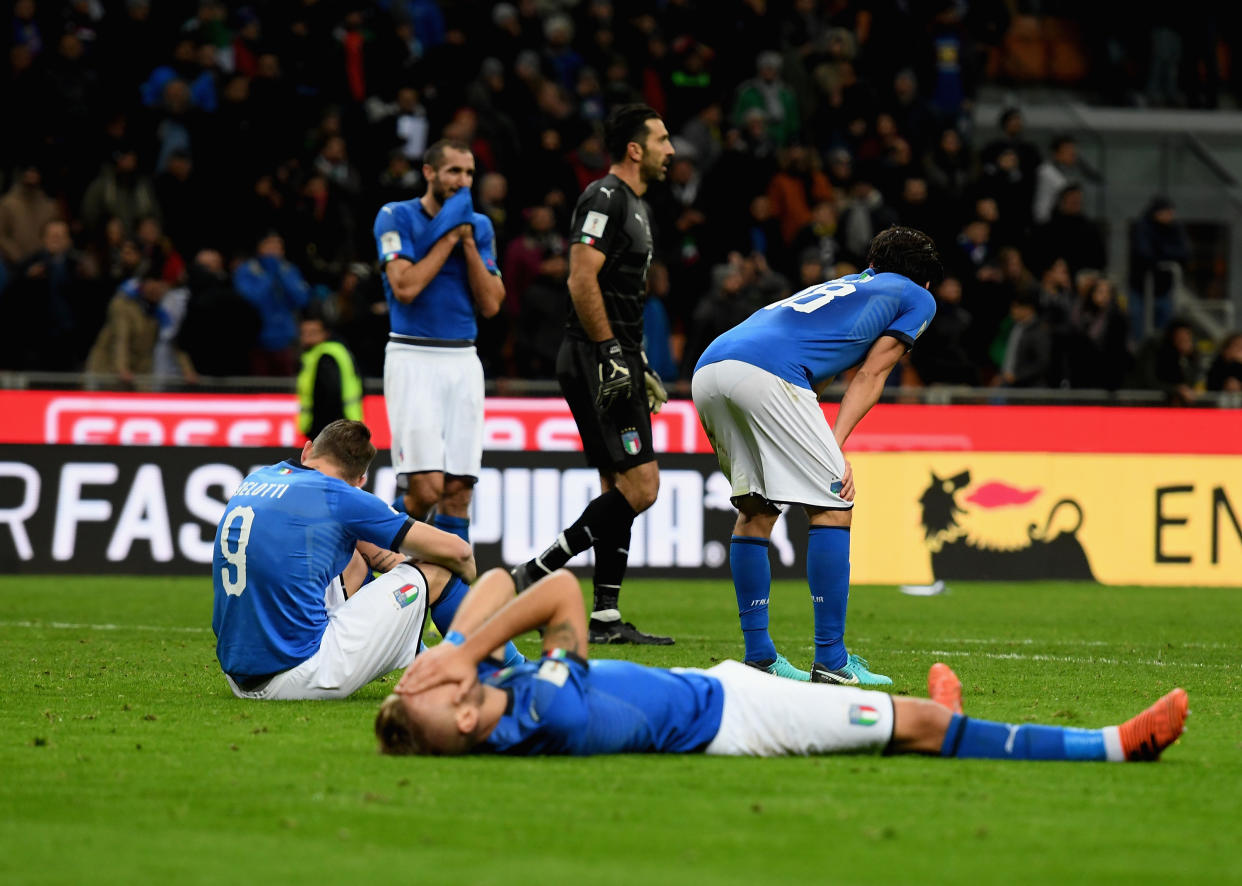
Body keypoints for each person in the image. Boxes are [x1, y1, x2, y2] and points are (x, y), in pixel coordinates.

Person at [376, 567, 1188, 763]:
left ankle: (938, 714)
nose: (444, 674)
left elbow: (487, 581)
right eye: (441, 690)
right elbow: (555, 591)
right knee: (925, 726)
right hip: (739, 721)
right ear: (464, 717)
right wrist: (460, 653)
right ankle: (1117, 745)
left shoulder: (501, 689)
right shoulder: (540, 710)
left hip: (722, 685)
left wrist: (451, 652)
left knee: (917, 716)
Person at [689, 226, 940, 685]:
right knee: (832, 504)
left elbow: (812, 369)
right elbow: (871, 374)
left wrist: (821, 444)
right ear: (924, 278)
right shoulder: (916, 297)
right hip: (768, 374)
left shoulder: (844, 286)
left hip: (710, 369)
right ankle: (832, 660)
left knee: (756, 509)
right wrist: (834, 448)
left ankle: (760, 656)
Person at [508, 104, 676, 645]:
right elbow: (581, 279)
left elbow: (622, 295)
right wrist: (608, 351)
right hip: (592, 354)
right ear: (635, 148)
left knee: (618, 487)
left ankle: (604, 615)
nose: (670, 150)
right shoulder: (604, 197)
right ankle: (535, 572)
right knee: (644, 486)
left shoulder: (638, 206)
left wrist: (638, 357)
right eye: (661, 140)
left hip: (615, 352)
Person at [211, 419, 486, 700]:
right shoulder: (341, 497)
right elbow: (460, 553)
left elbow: (363, 545)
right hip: (299, 673)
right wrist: (452, 581)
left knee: (352, 553)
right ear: (360, 482)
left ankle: (419, 650)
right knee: (439, 572)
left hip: (238, 677)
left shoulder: (259, 478)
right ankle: (501, 671)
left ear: (307, 451)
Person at [372, 138, 505, 544]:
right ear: (429, 173)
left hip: (463, 359)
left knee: (458, 491)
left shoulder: (479, 227)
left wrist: (466, 241)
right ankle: (369, 553)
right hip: (413, 355)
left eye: (468, 173)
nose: (462, 181)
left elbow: (493, 303)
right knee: (425, 489)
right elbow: (405, 287)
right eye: (453, 171)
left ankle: (450, 601)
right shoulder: (395, 216)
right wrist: (448, 235)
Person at [297, 313, 363, 441]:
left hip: (331, 428)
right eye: (303, 332)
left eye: (313, 332)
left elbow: (331, 394)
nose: (307, 337)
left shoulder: (325, 357)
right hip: (345, 425)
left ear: (325, 333)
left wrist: (324, 429)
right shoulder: (334, 351)